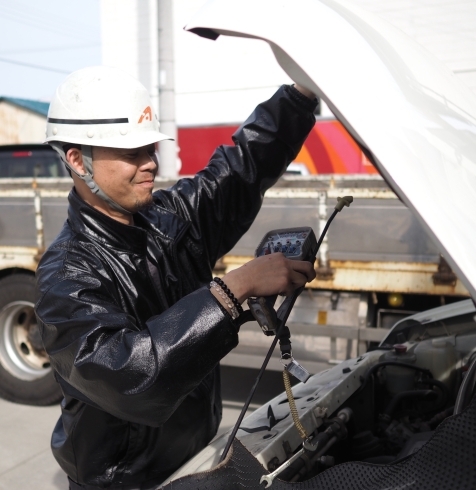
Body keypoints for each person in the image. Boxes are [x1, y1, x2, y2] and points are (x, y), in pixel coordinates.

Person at [35, 65, 317, 490]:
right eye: (131, 154)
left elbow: (242, 169)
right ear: (77, 159)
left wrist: (300, 93)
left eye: (149, 148)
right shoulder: (66, 274)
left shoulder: (171, 217)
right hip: (125, 482)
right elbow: (132, 378)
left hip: (201, 457)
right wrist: (232, 290)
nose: (150, 163)